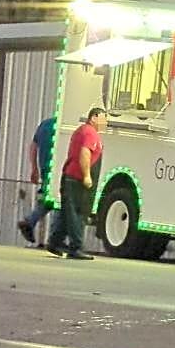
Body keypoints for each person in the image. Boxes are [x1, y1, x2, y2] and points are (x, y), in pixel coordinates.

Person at [46, 107, 107, 260]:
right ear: (94, 117)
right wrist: (86, 176)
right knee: (78, 214)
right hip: (76, 179)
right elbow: (85, 153)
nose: (105, 122)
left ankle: (55, 242)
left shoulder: (82, 131)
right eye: (103, 118)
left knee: (68, 212)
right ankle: (76, 247)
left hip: (70, 177)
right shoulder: (90, 133)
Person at [18, 116, 56, 246]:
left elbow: (33, 147)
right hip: (58, 169)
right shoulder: (65, 125)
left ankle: (30, 222)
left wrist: (34, 168)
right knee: (58, 202)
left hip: (45, 169)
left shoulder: (45, 125)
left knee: (48, 200)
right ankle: (54, 239)